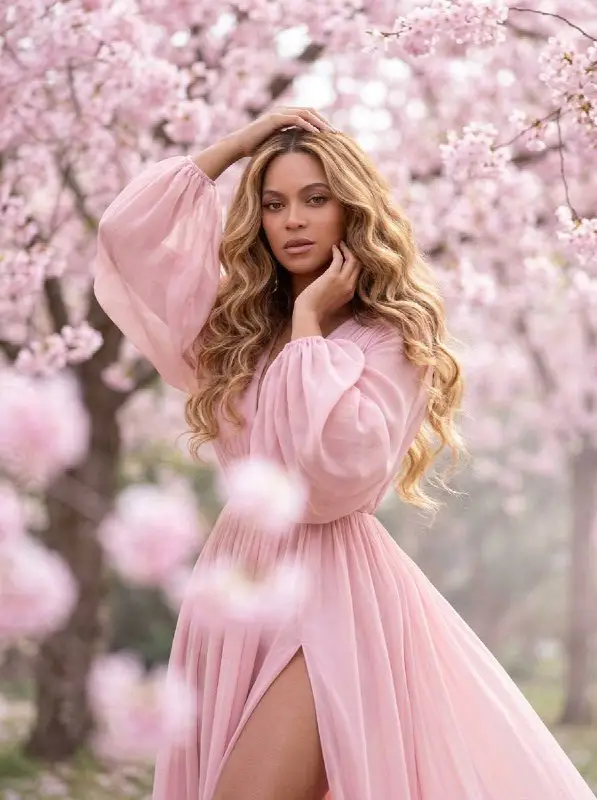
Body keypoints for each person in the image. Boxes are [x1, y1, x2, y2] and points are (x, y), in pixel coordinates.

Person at [94, 107, 595, 800]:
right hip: (236, 580)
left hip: (331, 592)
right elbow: (127, 234)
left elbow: (331, 482)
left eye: (314, 199)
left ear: (349, 210)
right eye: (274, 204)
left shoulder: (390, 339)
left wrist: (306, 332)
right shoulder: (236, 329)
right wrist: (242, 144)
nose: (292, 220)